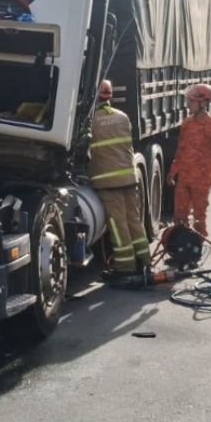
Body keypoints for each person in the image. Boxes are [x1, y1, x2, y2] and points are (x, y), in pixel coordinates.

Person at [89, 80, 149, 280]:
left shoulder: (91, 121)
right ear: (110, 95)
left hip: (108, 182)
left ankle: (125, 268)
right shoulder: (123, 117)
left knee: (118, 224)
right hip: (129, 177)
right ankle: (144, 262)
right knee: (134, 220)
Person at [166, 83, 211, 237]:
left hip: (202, 180)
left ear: (203, 103)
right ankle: (182, 245)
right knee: (179, 217)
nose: (188, 105)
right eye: (188, 101)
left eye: (191, 101)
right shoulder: (187, 123)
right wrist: (172, 172)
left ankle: (198, 244)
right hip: (184, 178)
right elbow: (180, 151)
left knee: (199, 218)